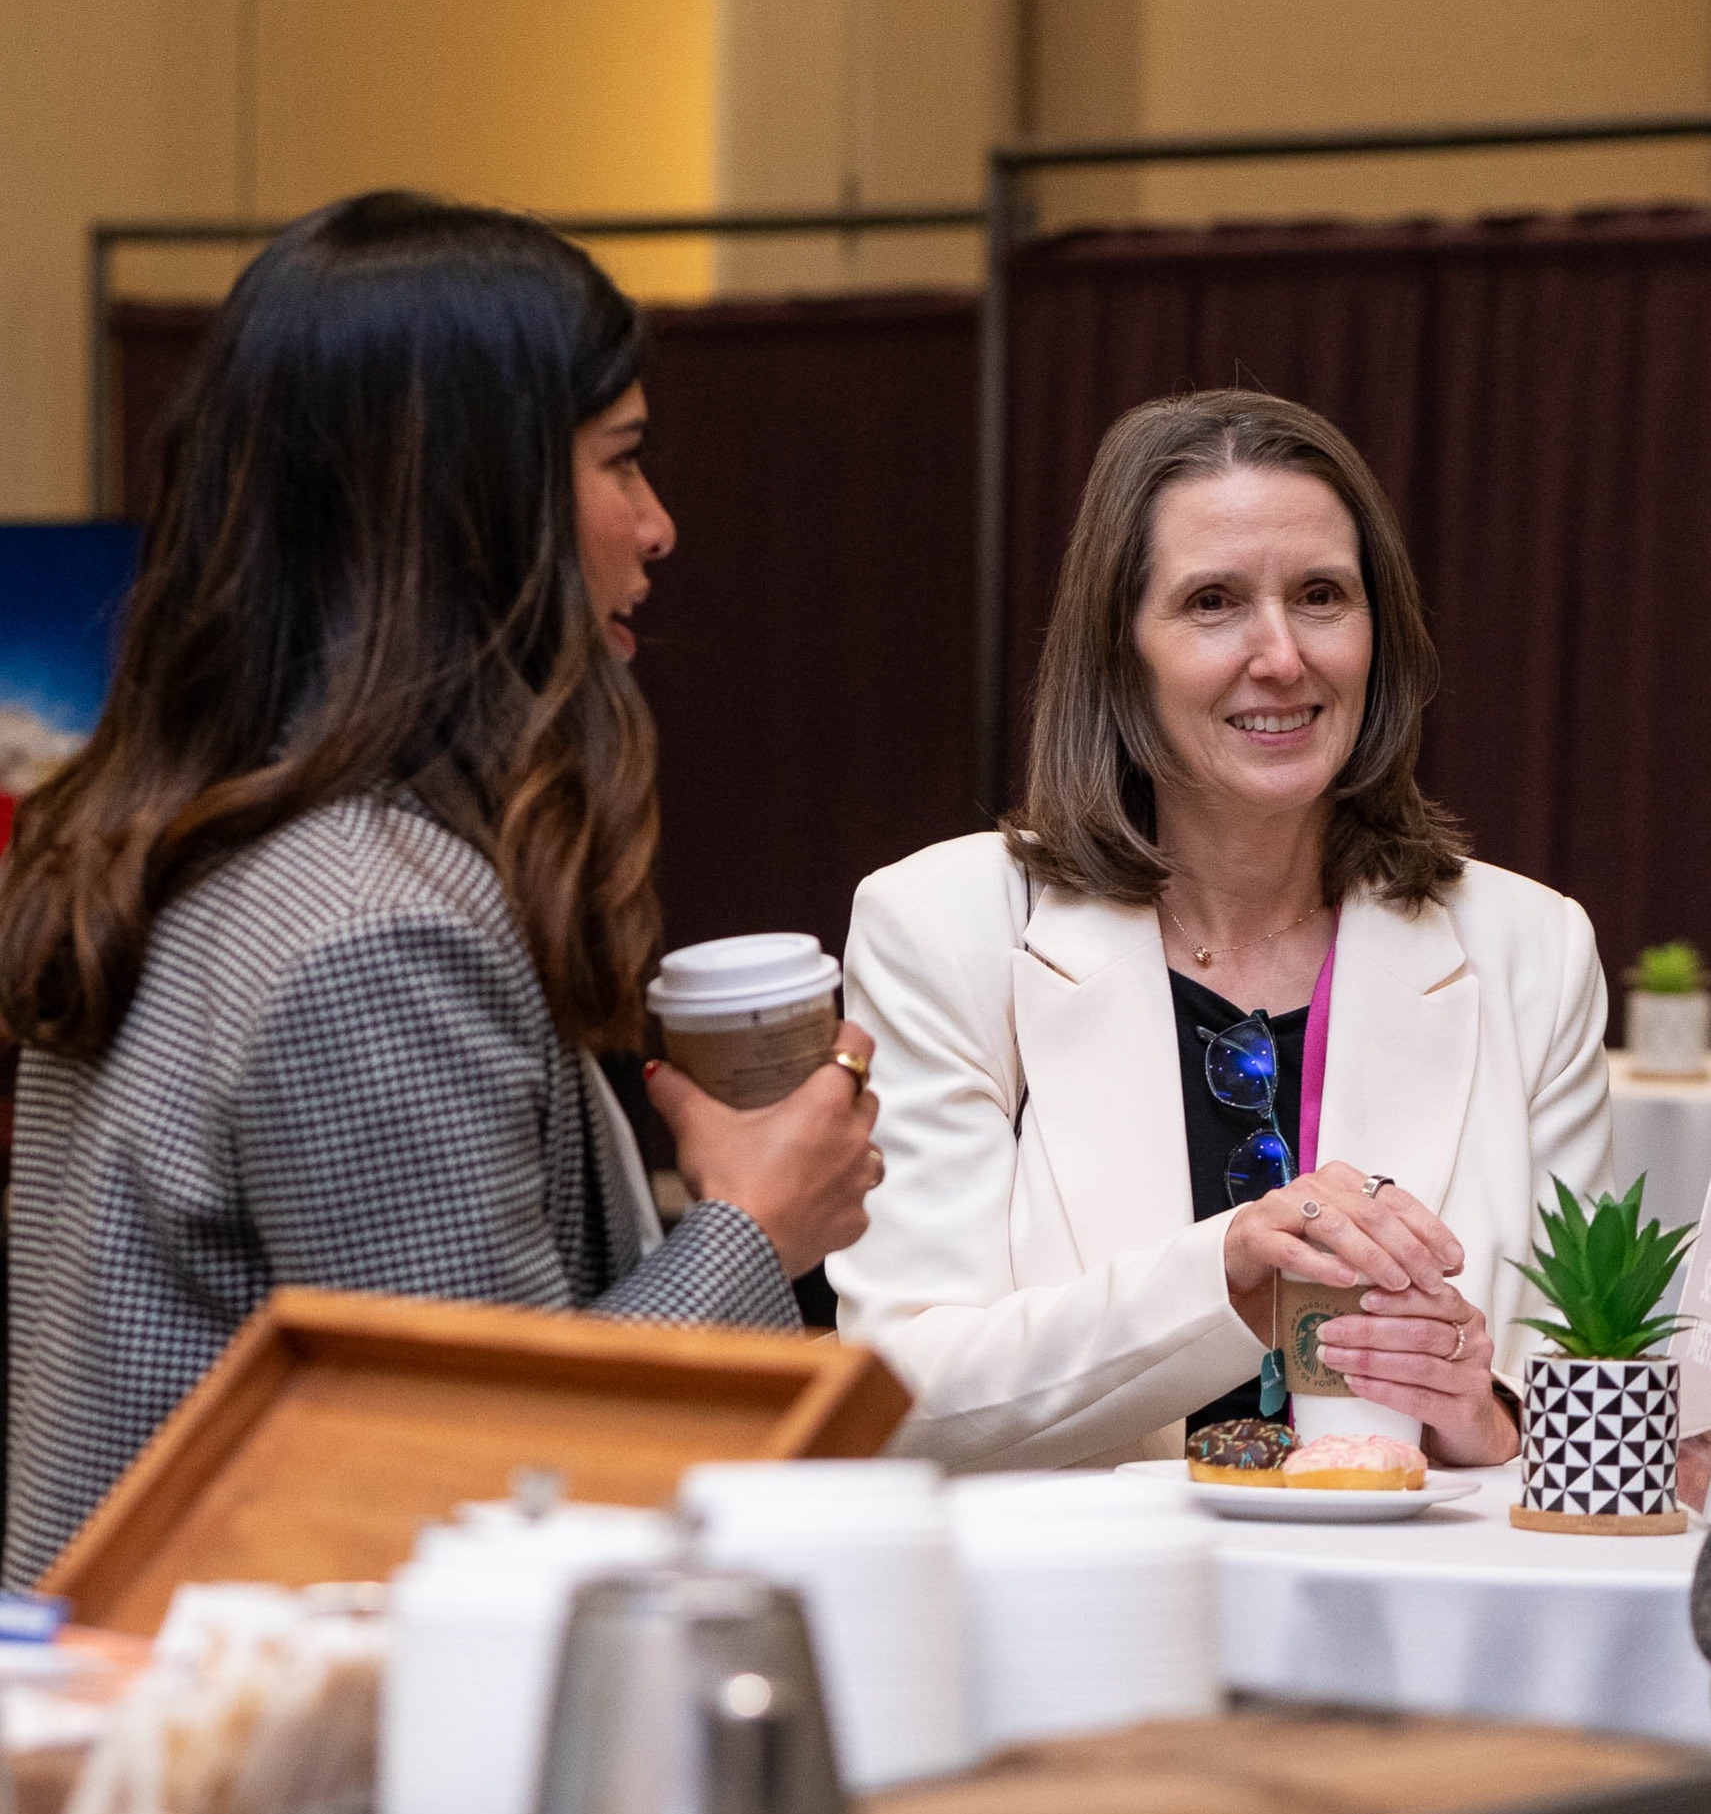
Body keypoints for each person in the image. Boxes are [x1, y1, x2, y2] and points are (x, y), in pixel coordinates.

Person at [0, 193, 878, 1586]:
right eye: (621, 462)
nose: (656, 525)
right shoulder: (378, 924)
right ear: (480, 506)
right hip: (261, 1755)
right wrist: (754, 1229)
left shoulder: (159, 836)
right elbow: (481, 1495)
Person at [830, 390, 1612, 1472]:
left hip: (1411, 1624)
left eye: (1322, 595)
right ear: (1120, 652)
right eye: (1212, 602)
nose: (1281, 655)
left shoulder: (1530, 949)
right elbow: (895, 1399)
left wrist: (1486, 1420)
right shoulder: (944, 927)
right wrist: (1221, 1278)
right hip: (1089, 1621)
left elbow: (1585, 1406)